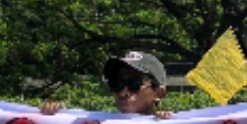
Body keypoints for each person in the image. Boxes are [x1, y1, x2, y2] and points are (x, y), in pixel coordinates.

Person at [41, 50, 171, 119]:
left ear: (158, 93)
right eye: (117, 84)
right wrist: (58, 117)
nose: (123, 92)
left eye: (134, 83)